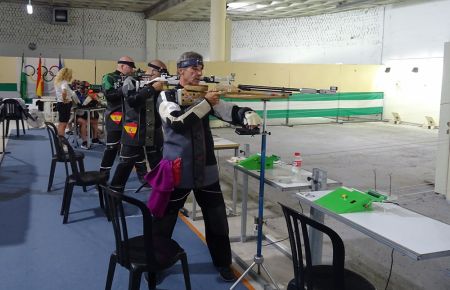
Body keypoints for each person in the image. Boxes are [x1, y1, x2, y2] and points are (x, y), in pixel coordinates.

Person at [154, 51, 262, 282]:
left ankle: (223, 263)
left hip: (207, 169)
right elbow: (177, 122)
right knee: (165, 220)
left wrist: (246, 113)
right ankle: (156, 262)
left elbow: (226, 110)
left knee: (217, 220)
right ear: (181, 71)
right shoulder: (167, 96)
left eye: (200, 68)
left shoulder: (203, 95)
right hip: (177, 169)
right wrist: (205, 103)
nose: (199, 73)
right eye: (193, 69)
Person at [109, 60, 167, 192]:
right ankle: (114, 194)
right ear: (153, 71)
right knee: (125, 164)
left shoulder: (160, 84)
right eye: (161, 73)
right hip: (133, 130)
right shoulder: (131, 81)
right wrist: (152, 88)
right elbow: (132, 100)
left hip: (154, 130)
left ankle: (162, 196)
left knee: (158, 164)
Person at [99, 56, 147, 182]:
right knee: (111, 148)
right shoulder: (108, 77)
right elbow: (109, 95)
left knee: (136, 147)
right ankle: (103, 176)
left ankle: (143, 177)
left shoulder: (133, 78)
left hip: (131, 119)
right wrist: (127, 86)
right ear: (122, 66)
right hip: (115, 117)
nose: (132, 70)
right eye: (130, 67)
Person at [54, 67, 75, 136]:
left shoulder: (59, 82)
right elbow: (64, 92)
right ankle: (61, 140)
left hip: (61, 104)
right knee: (63, 124)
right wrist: (64, 99)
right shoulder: (64, 83)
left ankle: (59, 139)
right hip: (64, 105)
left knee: (61, 123)